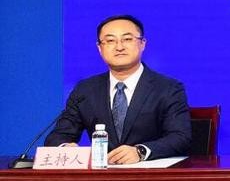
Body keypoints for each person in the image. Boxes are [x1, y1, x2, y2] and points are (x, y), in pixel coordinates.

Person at [45, 14, 191, 163]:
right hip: (102, 174)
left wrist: (140, 151)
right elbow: (57, 137)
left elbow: (180, 137)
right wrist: (65, 148)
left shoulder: (168, 88)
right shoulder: (85, 90)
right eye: (110, 41)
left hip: (150, 173)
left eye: (127, 39)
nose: (119, 47)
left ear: (142, 44)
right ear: (99, 48)